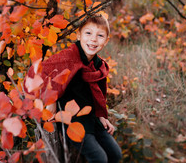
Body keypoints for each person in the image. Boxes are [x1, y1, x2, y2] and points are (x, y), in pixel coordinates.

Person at [26, 14, 122, 163]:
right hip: (72, 121)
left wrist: (102, 115)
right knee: (99, 158)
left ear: (106, 41)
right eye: (88, 33)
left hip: (91, 118)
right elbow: (39, 71)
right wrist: (51, 99)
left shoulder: (98, 65)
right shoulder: (68, 57)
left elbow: (98, 93)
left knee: (115, 154)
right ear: (78, 35)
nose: (93, 39)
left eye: (100, 35)